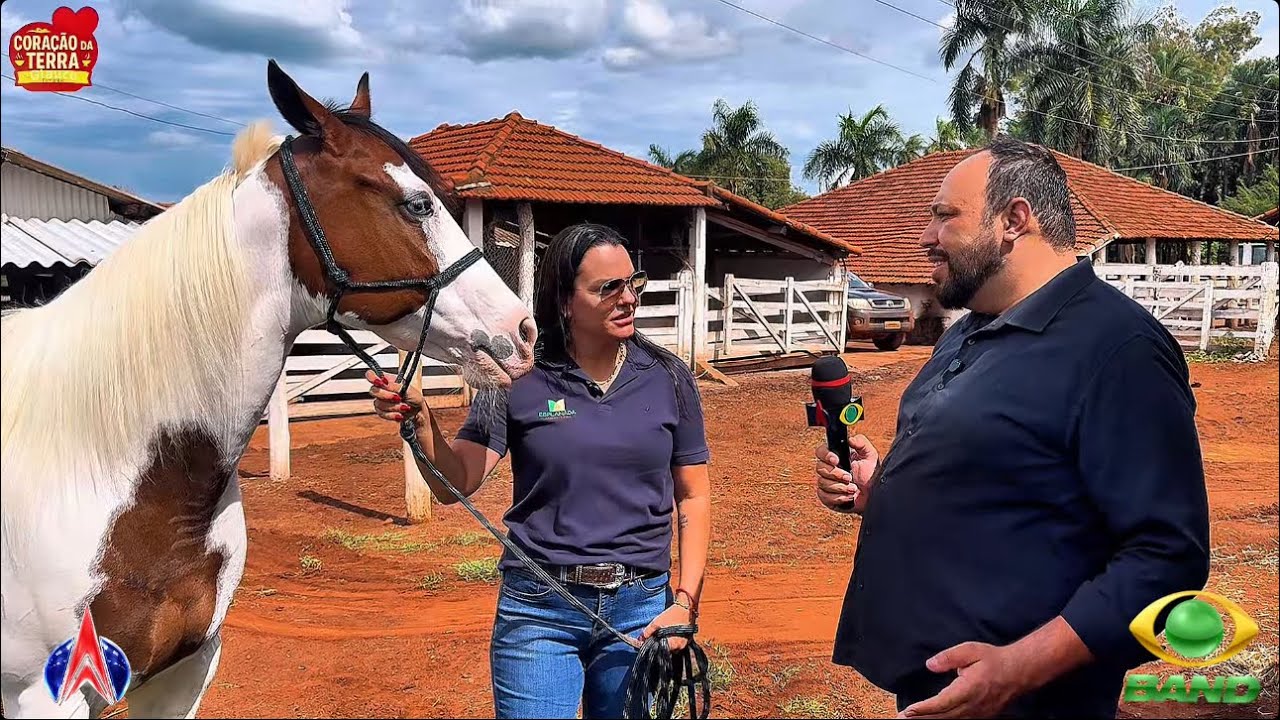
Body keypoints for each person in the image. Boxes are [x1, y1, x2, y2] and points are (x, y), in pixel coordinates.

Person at [813, 136, 1211, 719]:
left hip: (1028, 700)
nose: (925, 238)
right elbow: (999, 479)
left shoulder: (1117, 349)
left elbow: (1167, 557)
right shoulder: (970, 328)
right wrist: (881, 491)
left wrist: (1016, 669)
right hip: (942, 686)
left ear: (1013, 220)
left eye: (945, 217)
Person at [366, 222, 711, 719]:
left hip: (643, 610)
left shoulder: (668, 377)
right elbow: (455, 483)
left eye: (632, 282)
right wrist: (421, 422)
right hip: (539, 609)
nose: (628, 298)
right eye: (607, 288)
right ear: (565, 302)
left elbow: (694, 498)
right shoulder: (517, 376)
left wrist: (685, 602)